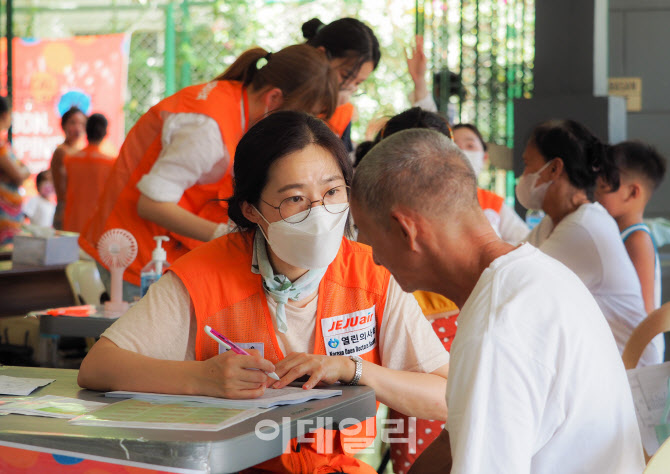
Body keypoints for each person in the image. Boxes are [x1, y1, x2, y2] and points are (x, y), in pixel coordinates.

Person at [77, 111, 449, 473]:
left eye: (333, 191)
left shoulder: (373, 272)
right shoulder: (204, 274)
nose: (320, 213)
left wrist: (354, 370)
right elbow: (98, 367)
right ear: (252, 210)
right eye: (295, 199)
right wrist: (201, 378)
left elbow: (446, 396)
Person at [350, 128, 644, 474]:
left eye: (365, 235)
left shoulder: (497, 328)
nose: (373, 259)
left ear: (405, 230)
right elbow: (452, 442)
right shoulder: (537, 274)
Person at [78, 44, 339, 300]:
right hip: (137, 262)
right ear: (273, 98)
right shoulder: (207, 129)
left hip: (159, 254)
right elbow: (151, 204)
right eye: (301, 115)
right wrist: (227, 236)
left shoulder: (230, 100)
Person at [520, 119, 661, 366]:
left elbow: (517, 283)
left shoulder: (585, 228)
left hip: (629, 376)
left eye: (527, 165)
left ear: (554, 169)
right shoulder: (552, 224)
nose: (523, 176)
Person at [596, 140, 667, 314]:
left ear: (633, 192)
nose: (596, 194)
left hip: (637, 340)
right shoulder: (619, 234)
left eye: (603, 187)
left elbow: (644, 310)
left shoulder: (637, 240)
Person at [303, 17, 380, 152]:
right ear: (320, 55)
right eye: (345, 76)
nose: (349, 88)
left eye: (357, 83)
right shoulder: (282, 94)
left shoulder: (343, 113)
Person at [452, 123, 529, 244]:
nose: (462, 152)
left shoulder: (492, 203)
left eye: (470, 146)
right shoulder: (430, 201)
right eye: (454, 146)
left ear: (484, 158)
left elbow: (523, 240)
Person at [62, 113, 116, 234]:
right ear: (105, 133)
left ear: (86, 130)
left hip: (73, 223)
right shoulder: (111, 163)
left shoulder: (70, 160)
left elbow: (63, 189)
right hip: (99, 225)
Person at [50, 106, 86, 229]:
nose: (78, 128)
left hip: (80, 211)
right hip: (66, 210)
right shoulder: (62, 152)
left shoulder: (82, 152)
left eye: (82, 124)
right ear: (64, 125)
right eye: (73, 123)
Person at [0, 96, 30, 244]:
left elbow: (22, 170)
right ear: (5, 115)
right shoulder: (0, 147)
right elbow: (19, 175)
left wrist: (20, 171)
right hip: (4, 217)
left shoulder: (4, 145)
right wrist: (20, 171)